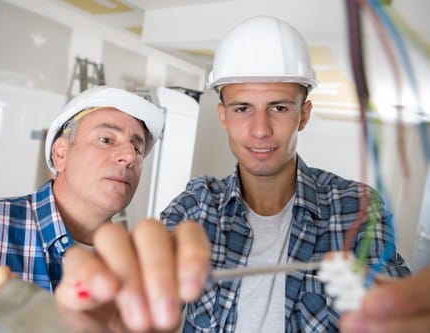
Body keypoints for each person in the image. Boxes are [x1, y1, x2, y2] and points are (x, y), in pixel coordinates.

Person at [157, 15, 411, 332]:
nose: (261, 130)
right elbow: (147, 301)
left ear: (303, 115)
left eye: (279, 108)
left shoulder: (356, 209)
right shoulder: (196, 207)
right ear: (223, 116)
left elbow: (391, 308)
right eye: (242, 108)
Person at [0, 86, 211, 332]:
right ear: (61, 153)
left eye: (137, 149)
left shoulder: (129, 277)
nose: (129, 156)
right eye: (106, 139)